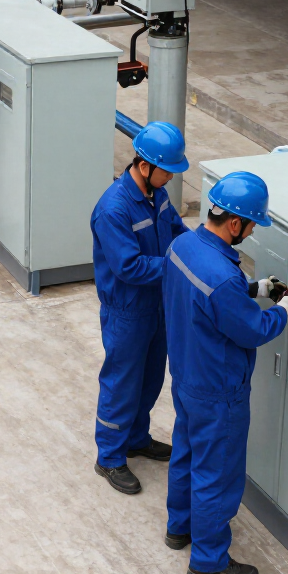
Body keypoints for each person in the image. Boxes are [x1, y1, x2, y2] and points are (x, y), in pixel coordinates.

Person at [162, 171, 288, 574]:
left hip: (187, 375)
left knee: (187, 454)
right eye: (251, 225)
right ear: (234, 224)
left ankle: (180, 528)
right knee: (218, 474)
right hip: (219, 390)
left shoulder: (182, 245)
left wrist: (255, 288)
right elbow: (251, 330)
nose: (250, 232)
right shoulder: (224, 277)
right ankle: (208, 561)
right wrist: (287, 311)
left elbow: (208, 298)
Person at [91, 121, 191, 495]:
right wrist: (179, 268)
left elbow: (177, 232)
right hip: (128, 310)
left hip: (158, 304)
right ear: (146, 166)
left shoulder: (157, 194)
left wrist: (198, 252)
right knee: (121, 381)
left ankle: (136, 437)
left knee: (151, 377)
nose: (171, 178)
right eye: (168, 171)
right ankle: (110, 456)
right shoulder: (114, 209)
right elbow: (129, 267)